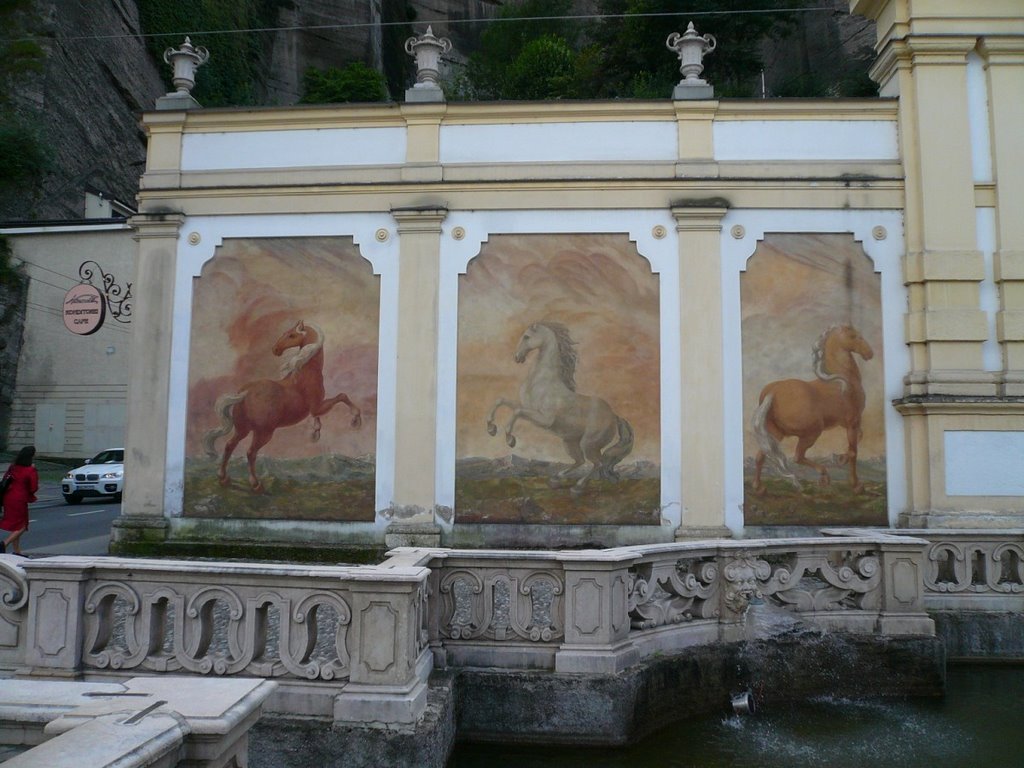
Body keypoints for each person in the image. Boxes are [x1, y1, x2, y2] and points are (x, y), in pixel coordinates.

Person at [1, 446, 38, 556]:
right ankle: (4, 544)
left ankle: (17, 552)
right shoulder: (30, 469)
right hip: (19, 499)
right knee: (22, 526)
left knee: (17, 524)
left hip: (8, 497)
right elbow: (33, 487)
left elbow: (5, 480)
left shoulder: (13, 467)